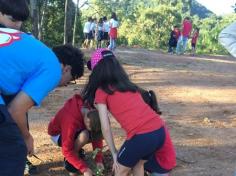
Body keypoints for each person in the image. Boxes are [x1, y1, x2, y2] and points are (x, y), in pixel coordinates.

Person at [0, 1, 85, 175]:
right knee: (14, 151)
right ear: (66, 68)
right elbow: (15, 110)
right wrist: (26, 138)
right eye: (70, 80)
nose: (64, 85)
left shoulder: (30, 47)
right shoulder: (53, 68)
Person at [82, 48, 176, 176]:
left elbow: (106, 128)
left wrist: (114, 152)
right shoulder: (129, 86)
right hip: (159, 131)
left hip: (142, 136)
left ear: (97, 71)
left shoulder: (102, 91)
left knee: (118, 171)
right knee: (138, 164)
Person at [48, 94, 104, 176]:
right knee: (84, 135)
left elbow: (97, 137)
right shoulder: (70, 121)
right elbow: (66, 150)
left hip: (77, 128)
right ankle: (71, 160)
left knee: (87, 134)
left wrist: (99, 160)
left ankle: (75, 153)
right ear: (87, 121)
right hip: (57, 134)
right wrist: (84, 169)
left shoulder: (93, 110)